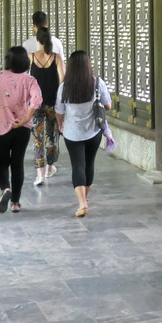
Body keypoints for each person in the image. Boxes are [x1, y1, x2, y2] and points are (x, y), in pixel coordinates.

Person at [0, 46, 43, 214]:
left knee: (1, 162)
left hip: (0, 127)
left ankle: (5, 188)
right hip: (22, 128)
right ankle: (15, 202)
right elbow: (37, 99)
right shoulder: (29, 80)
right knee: (17, 163)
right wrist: (26, 119)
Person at [54, 50, 110, 218]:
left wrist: (60, 124)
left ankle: (82, 202)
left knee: (77, 165)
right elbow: (108, 106)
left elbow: (59, 110)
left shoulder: (64, 87)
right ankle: (85, 198)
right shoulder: (97, 83)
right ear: (88, 65)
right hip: (93, 132)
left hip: (72, 133)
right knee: (89, 164)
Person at [28, 27, 64, 186]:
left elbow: (25, 79)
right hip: (52, 103)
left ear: (37, 40)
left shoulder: (31, 57)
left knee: (37, 138)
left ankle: (40, 175)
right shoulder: (56, 58)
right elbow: (62, 80)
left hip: (36, 104)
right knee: (51, 136)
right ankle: (49, 167)